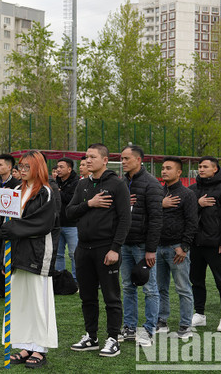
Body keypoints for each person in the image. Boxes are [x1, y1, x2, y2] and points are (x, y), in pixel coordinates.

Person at [66, 143, 130, 358]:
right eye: (86, 157)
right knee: (87, 296)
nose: (88, 160)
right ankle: (91, 336)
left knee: (111, 297)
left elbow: (124, 219)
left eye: (92, 156)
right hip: (83, 249)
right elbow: (70, 212)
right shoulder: (82, 184)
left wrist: (115, 249)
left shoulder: (117, 184)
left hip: (106, 249)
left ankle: (113, 338)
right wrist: (90, 203)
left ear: (105, 160)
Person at [0, 151, 60, 368]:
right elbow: (8, 218)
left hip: (37, 253)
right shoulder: (16, 190)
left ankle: (40, 349)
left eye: (27, 167)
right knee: (20, 301)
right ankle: (26, 345)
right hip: (16, 253)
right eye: (21, 166)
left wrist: (13, 228)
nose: (22, 170)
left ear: (38, 167)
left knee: (38, 301)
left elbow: (43, 223)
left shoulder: (46, 192)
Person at [188, 156, 221, 332]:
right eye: (200, 166)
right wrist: (198, 203)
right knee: (196, 281)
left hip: (216, 244)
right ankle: (199, 314)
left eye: (205, 167)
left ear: (215, 169)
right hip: (195, 243)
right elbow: (185, 213)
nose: (201, 169)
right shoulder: (193, 189)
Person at [119, 145, 163, 347]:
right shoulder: (122, 183)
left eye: (127, 158)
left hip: (143, 245)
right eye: (121, 158)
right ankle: (129, 327)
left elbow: (156, 219)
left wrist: (151, 249)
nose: (123, 162)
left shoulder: (151, 184)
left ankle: (149, 329)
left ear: (138, 160)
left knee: (150, 289)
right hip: (124, 243)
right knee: (128, 286)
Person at [155, 156, 197, 338]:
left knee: (183, 288)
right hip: (157, 248)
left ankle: (186, 325)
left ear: (179, 172)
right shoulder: (157, 193)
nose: (164, 171)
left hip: (176, 248)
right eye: (163, 168)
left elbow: (192, 222)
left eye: (168, 168)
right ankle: (162, 321)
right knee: (160, 288)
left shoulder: (187, 194)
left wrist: (184, 246)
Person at [0, 153, 20, 298]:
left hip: (11, 227)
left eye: (1, 164)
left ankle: (11, 288)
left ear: (9, 167)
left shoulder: (17, 185)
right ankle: (0, 289)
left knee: (9, 257)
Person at [55, 157, 79, 280]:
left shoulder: (77, 182)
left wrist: (58, 192)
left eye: (61, 167)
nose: (58, 170)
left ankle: (76, 280)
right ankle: (60, 279)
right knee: (58, 254)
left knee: (74, 254)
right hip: (58, 223)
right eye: (57, 167)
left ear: (69, 169)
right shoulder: (56, 182)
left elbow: (71, 199)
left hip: (72, 224)